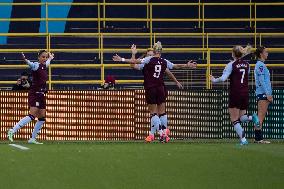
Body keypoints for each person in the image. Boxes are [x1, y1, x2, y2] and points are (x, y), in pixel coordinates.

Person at [113, 41, 196, 143]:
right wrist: (187, 65)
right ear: (161, 51)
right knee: (162, 112)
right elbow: (175, 66)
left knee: (153, 113)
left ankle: (162, 134)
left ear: (154, 51)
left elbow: (135, 62)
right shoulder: (164, 61)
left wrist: (121, 59)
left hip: (151, 88)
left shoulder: (148, 60)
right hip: (161, 88)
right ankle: (161, 133)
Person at [210, 45, 259, 145]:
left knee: (234, 119)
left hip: (235, 93)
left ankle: (243, 140)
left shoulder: (231, 65)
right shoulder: (247, 65)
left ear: (233, 54)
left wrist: (213, 80)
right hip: (245, 92)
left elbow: (223, 79)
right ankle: (251, 118)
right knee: (242, 117)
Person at [7, 50, 54, 144]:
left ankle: (32, 138)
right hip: (35, 93)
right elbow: (31, 64)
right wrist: (25, 60)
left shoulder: (44, 65)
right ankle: (12, 131)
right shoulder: (36, 65)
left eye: (45, 57)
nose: (44, 59)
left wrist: (50, 58)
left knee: (42, 117)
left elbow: (48, 62)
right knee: (32, 115)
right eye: (43, 57)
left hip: (41, 94)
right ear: (39, 57)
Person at [254, 46, 272, 144]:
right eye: (266, 52)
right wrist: (267, 93)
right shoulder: (260, 65)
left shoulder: (260, 65)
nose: (267, 53)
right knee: (260, 116)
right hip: (263, 93)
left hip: (262, 93)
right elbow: (261, 80)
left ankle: (258, 137)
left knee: (260, 116)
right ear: (261, 54)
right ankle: (258, 138)